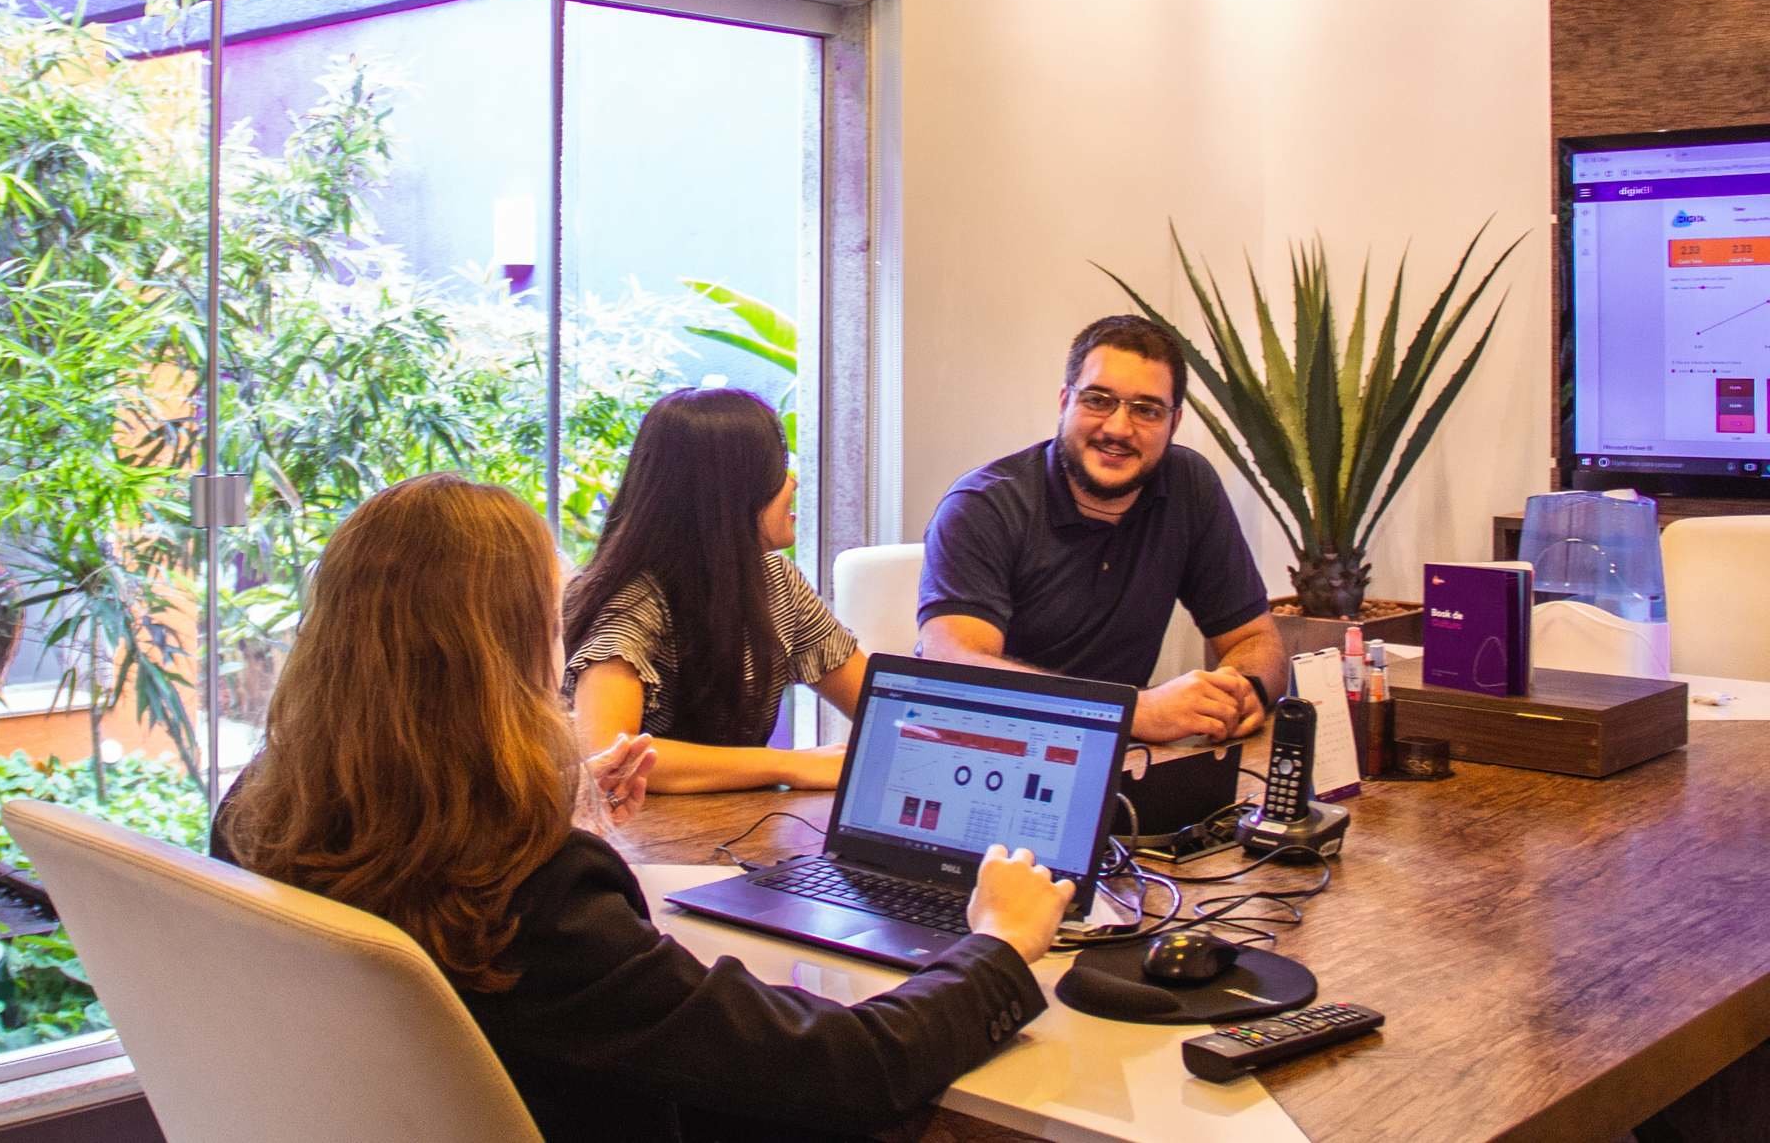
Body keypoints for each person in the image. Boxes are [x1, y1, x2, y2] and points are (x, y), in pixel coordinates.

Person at [213, 473, 1073, 1142]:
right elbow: (847, 1070)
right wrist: (998, 945)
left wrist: (564, 804)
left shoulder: (260, 814)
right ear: (510, 653)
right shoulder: (536, 894)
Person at [918, 315, 1285, 744]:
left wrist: (1244, 690)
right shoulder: (982, 506)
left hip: (1120, 758)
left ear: (1174, 423)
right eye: (1097, 400)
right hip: (987, 752)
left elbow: (1256, 639)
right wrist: (1133, 712)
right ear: (1064, 402)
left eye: (1146, 410)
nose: (1118, 429)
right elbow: (956, 668)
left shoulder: (1190, 485)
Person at [563, 388, 865, 793]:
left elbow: (879, 707)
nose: (792, 482)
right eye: (777, 469)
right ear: (730, 491)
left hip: (741, 823)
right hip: (645, 830)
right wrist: (789, 764)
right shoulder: (635, 600)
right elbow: (609, 755)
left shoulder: (777, 581)